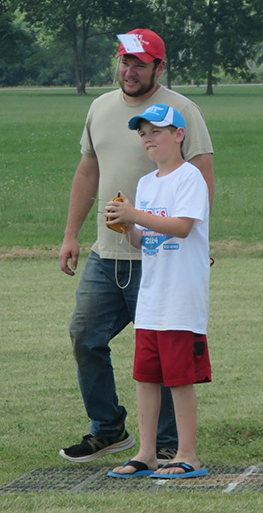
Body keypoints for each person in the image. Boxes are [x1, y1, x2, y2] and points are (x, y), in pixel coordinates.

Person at [58, 29, 214, 464]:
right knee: (85, 335)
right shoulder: (100, 108)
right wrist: (72, 234)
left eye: (139, 64)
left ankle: (168, 444)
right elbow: (88, 171)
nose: (129, 71)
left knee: (165, 348)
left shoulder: (182, 111)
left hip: (162, 257)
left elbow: (201, 176)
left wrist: (201, 241)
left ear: (158, 68)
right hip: (107, 252)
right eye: (124, 62)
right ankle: (108, 430)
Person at [107, 104, 210, 479]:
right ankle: (147, 453)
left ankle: (188, 455)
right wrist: (127, 226)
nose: (148, 139)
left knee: (180, 377)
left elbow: (182, 227)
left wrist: (135, 215)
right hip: (151, 297)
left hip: (181, 296)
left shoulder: (190, 178)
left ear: (179, 135)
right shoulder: (147, 183)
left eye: (156, 131)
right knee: (146, 376)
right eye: (143, 133)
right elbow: (144, 239)